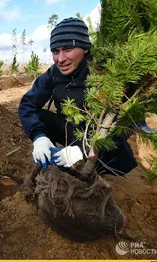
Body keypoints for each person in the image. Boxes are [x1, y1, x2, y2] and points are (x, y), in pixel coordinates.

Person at [18, 17, 137, 175]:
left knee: (117, 156)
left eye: (67, 49)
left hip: (102, 138)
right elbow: (28, 105)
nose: (60, 59)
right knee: (40, 117)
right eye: (55, 51)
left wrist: (83, 150)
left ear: (85, 48)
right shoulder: (53, 74)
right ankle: (56, 162)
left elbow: (123, 125)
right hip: (71, 131)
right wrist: (38, 136)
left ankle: (91, 171)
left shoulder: (105, 73)